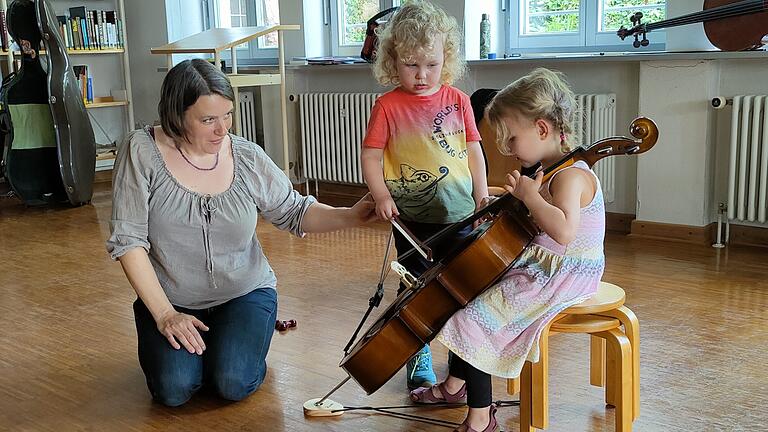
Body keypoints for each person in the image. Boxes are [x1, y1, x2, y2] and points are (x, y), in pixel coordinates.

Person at [106, 58, 375, 407]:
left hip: (243, 293)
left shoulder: (246, 156)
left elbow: (294, 211)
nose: (222, 129)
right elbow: (128, 242)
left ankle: (234, 349)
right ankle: (205, 352)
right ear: (176, 116)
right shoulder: (140, 151)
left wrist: (350, 216)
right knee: (173, 390)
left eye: (227, 115)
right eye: (208, 120)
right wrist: (165, 314)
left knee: (233, 382)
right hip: (172, 299)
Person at [410, 68, 607, 432]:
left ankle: (482, 419)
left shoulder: (571, 176)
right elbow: (536, 211)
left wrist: (531, 196)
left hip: (561, 276)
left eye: (511, 139)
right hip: (545, 268)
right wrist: (510, 197)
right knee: (468, 291)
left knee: (472, 319)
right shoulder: (551, 170)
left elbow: (563, 231)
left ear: (542, 129)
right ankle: (456, 385)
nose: (506, 149)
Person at [360, 0, 489, 391]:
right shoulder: (387, 105)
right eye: (410, 64)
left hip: (460, 213)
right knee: (417, 289)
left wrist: (482, 195)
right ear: (392, 61)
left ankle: (459, 365)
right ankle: (417, 355)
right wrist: (379, 193)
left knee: (460, 290)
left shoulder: (459, 101)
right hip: (412, 217)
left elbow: (474, 151)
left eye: (431, 64)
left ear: (445, 59)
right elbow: (371, 155)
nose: (421, 74)